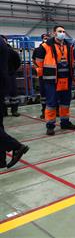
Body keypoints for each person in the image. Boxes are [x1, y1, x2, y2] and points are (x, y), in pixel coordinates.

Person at [34, 25, 75, 136]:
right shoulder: (45, 46)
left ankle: (65, 122)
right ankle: (50, 126)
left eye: (63, 31)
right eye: (60, 31)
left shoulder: (69, 46)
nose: (62, 33)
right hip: (52, 80)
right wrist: (42, 74)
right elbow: (37, 61)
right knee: (51, 103)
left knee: (65, 102)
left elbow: (72, 61)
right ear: (54, 33)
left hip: (66, 78)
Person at [0, 38, 29, 169]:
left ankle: (15, 146)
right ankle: (1, 160)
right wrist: (8, 73)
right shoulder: (2, 41)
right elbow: (15, 58)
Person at [1, 35, 21, 117]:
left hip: (10, 75)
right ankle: (4, 111)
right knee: (3, 95)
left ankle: (14, 110)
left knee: (13, 94)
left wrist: (12, 71)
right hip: (1, 76)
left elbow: (17, 62)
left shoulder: (12, 52)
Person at [32, 33, 50, 119]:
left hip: (51, 74)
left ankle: (55, 110)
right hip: (42, 75)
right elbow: (33, 60)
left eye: (47, 38)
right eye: (45, 38)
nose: (46, 39)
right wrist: (38, 69)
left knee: (53, 94)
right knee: (43, 94)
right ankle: (44, 111)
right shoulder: (38, 49)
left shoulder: (52, 48)